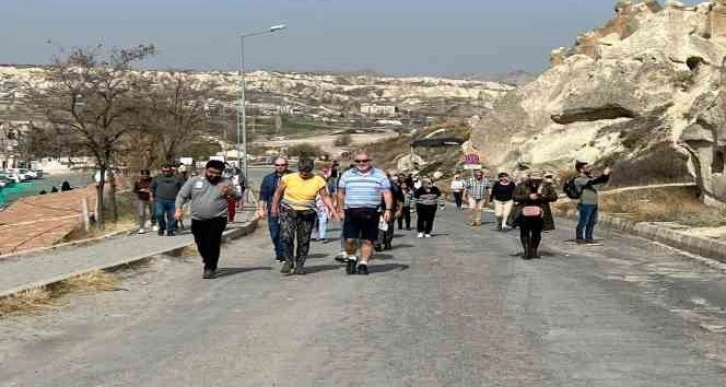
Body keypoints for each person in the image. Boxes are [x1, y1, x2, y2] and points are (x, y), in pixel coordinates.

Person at [175, 160, 241, 279]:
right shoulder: (194, 181)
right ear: (206, 169)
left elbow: (237, 197)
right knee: (200, 242)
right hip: (197, 218)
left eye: (217, 173)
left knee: (213, 242)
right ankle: (207, 260)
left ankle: (210, 267)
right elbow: (182, 195)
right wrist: (178, 209)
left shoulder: (226, 182)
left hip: (218, 218)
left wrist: (230, 192)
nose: (214, 175)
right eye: (211, 172)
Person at [271, 158, 338, 275]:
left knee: (304, 240)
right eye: (302, 171)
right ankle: (289, 261)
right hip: (289, 211)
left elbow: (325, 197)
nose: (304, 174)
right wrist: (274, 208)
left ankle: (300, 265)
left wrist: (333, 210)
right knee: (286, 237)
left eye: (307, 172)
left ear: (311, 170)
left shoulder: (318, 180)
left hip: (307, 213)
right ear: (299, 169)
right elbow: (278, 193)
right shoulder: (288, 178)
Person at [337, 150, 393, 275]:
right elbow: (340, 193)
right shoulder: (346, 175)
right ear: (354, 162)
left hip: (372, 211)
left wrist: (388, 209)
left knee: (368, 240)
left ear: (369, 161)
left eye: (364, 161)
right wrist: (340, 210)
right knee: (350, 240)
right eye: (358, 161)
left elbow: (386, 193)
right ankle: (351, 257)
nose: (361, 163)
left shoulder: (380, 175)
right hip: (351, 211)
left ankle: (363, 263)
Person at [513, 171, 558, 259]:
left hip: (541, 213)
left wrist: (543, 196)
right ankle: (527, 252)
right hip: (524, 212)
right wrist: (528, 196)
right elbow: (515, 196)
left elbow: (554, 197)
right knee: (524, 232)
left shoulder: (546, 186)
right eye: (534, 179)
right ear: (529, 178)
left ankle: (534, 251)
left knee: (536, 233)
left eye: (538, 180)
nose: (536, 181)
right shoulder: (522, 185)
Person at [256, 156, 292, 261]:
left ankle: (286, 253)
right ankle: (279, 252)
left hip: (289, 209)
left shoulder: (293, 177)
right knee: (275, 233)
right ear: (274, 166)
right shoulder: (268, 178)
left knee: (287, 234)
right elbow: (263, 195)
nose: (280, 167)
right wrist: (261, 209)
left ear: (286, 165)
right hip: (273, 210)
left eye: (282, 165)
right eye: (277, 165)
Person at [574, 162, 611, 245]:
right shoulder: (579, 179)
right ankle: (579, 238)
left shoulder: (590, 177)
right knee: (583, 221)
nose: (590, 168)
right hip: (585, 203)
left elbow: (600, 182)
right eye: (587, 167)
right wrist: (603, 175)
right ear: (581, 169)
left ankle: (589, 238)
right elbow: (592, 182)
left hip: (594, 203)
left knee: (592, 222)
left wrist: (606, 175)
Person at [151, 164, 184, 236]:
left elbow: (183, 189)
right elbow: (152, 188)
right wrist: (152, 196)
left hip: (174, 200)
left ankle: (170, 230)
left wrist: (182, 199)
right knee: (159, 214)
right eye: (164, 171)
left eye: (167, 171)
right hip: (160, 200)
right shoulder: (157, 178)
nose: (166, 172)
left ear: (171, 170)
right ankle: (162, 227)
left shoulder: (178, 178)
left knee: (172, 216)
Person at [376, 171, 404, 251]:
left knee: (389, 227)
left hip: (391, 209)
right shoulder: (375, 186)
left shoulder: (394, 187)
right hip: (377, 209)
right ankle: (379, 243)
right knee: (379, 227)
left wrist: (400, 210)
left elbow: (401, 199)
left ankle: (387, 243)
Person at [133, 169, 156, 234]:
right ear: (141, 175)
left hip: (151, 198)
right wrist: (141, 190)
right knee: (141, 213)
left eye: (146, 175)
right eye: (143, 175)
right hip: (141, 199)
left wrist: (150, 191)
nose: (145, 176)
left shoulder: (153, 180)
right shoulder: (138, 181)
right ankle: (141, 227)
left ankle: (154, 224)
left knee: (153, 211)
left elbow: (156, 187)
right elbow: (135, 190)